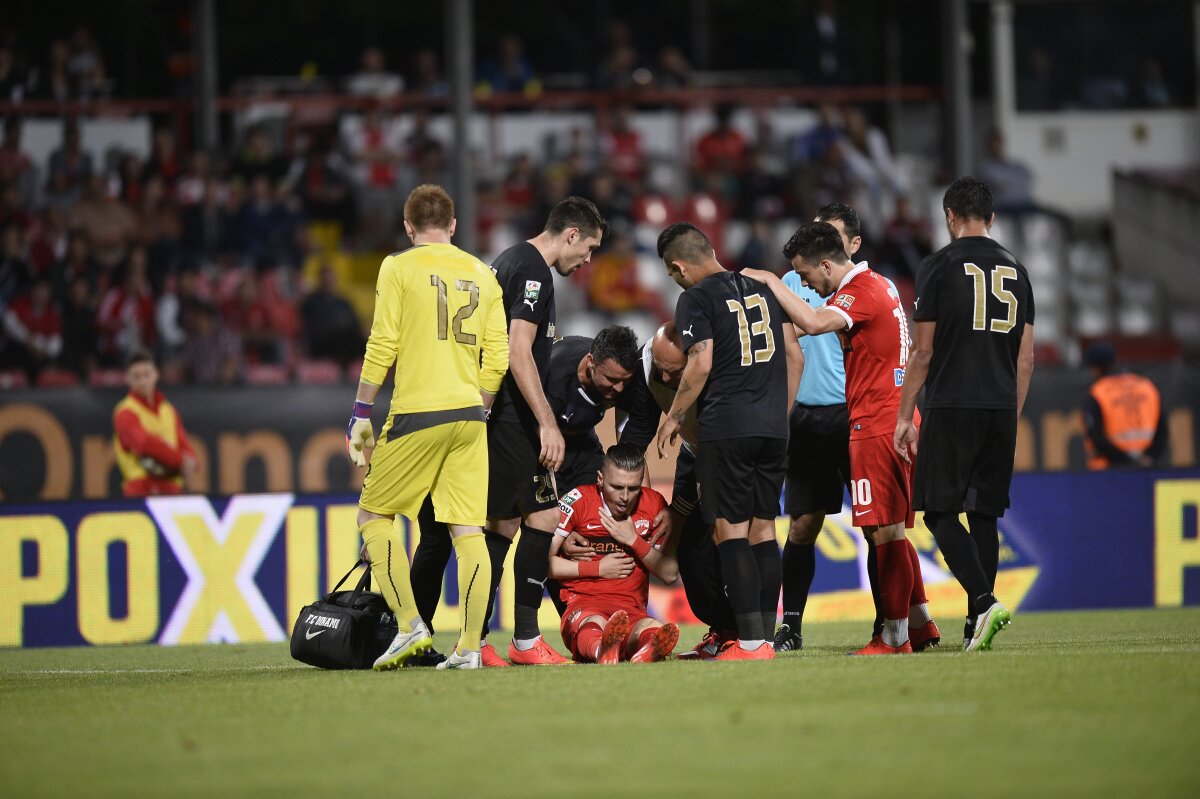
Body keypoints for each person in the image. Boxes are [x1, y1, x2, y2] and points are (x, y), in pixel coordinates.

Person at [407, 197, 606, 667]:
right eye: (590, 247)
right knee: (536, 519)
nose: (588, 259)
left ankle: (469, 640)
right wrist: (546, 422)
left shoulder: (510, 260)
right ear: (571, 235)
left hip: (487, 415)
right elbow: (518, 351)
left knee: (501, 524)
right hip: (511, 420)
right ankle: (515, 641)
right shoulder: (534, 271)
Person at [743, 221, 936, 656]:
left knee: (884, 534)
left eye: (805, 274)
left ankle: (894, 636)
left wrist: (772, 280)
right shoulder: (880, 284)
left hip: (875, 421)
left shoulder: (859, 292)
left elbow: (812, 323)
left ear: (827, 265)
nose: (805, 283)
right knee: (889, 530)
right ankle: (919, 622)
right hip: (889, 415)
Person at [345, 184, 509, 671]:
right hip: (469, 416)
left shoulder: (397, 266)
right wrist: (478, 408)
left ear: (408, 226)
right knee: (468, 531)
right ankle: (470, 648)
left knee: (373, 517)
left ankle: (410, 625)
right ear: (453, 225)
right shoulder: (483, 273)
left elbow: (383, 342)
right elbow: (498, 358)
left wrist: (361, 412)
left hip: (417, 413)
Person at [412, 326, 643, 667]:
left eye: (624, 381)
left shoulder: (621, 374)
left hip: (578, 445)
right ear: (590, 363)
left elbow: (629, 423)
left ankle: (588, 629)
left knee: (590, 519)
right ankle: (478, 639)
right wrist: (560, 515)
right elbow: (534, 437)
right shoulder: (553, 373)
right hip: (524, 439)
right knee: (508, 524)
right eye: (611, 380)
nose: (618, 389)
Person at [893, 176, 1036, 652]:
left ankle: (984, 602)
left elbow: (923, 351)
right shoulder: (1018, 270)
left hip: (952, 402)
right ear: (991, 218)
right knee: (984, 515)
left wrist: (904, 416)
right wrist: (1010, 414)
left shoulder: (937, 265)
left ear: (950, 216)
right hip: (1001, 406)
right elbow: (1026, 359)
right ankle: (978, 622)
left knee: (938, 512)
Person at [655, 222, 803, 661]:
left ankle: (751, 643)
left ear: (679, 267)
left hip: (728, 428)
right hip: (773, 429)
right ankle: (764, 639)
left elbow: (701, 361)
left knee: (729, 531)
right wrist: (778, 415)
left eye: (671, 273)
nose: (675, 280)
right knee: (763, 530)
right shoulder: (763, 287)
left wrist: (673, 416)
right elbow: (794, 356)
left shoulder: (695, 298)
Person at [773, 203, 900, 653]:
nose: (820, 242)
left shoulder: (866, 289)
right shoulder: (795, 281)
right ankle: (791, 626)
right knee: (802, 525)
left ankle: (889, 623)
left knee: (876, 526)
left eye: (830, 234)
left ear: (852, 245)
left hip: (857, 416)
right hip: (808, 421)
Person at [549, 444, 681, 664]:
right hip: (584, 604)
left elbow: (670, 573)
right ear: (600, 479)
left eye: (633, 488)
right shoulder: (578, 500)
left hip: (632, 609)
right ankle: (602, 649)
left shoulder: (653, 504)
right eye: (617, 487)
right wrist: (597, 568)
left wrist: (633, 540)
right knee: (592, 623)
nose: (625, 497)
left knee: (650, 627)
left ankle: (648, 649)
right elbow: (542, 564)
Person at [112, 349, 198, 497]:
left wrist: (192, 461)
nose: (142, 381)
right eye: (136, 376)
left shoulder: (168, 410)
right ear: (127, 379)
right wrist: (181, 460)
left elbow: (182, 443)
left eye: (146, 374)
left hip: (171, 489)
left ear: (156, 374)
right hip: (141, 490)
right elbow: (144, 444)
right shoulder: (124, 412)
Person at [1081, 341, 1166, 469]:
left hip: (1108, 471)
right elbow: (1162, 430)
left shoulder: (1097, 393)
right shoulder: (1146, 387)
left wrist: (1127, 461)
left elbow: (1096, 436)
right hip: (1146, 469)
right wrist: (1149, 457)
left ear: (1096, 368)